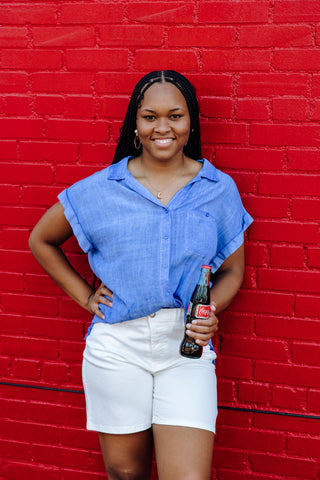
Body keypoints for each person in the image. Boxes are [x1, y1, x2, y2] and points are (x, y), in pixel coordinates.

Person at [29, 70, 253, 480]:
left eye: (175, 116)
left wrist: (209, 310)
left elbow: (233, 270)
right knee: (126, 473)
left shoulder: (218, 189)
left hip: (186, 349)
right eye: (150, 117)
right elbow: (41, 239)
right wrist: (85, 297)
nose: (162, 128)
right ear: (136, 123)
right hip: (117, 345)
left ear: (191, 122)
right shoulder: (101, 189)